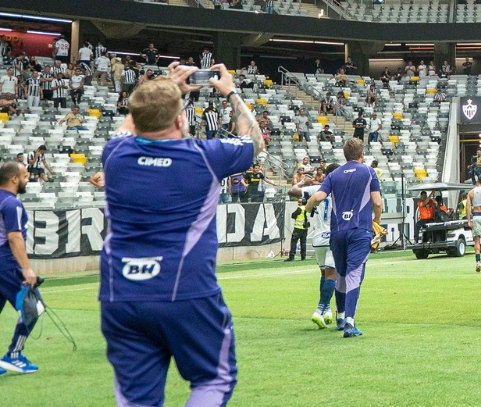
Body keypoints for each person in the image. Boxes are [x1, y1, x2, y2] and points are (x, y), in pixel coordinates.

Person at [93, 63, 261, 404]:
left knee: (136, 398)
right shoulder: (207, 156)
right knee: (213, 379)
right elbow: (255, 140)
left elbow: (133, 121)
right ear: (180, 120)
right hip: (185, 289)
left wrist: (167, 88)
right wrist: (230, 90)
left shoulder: (115, 153)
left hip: (120, 293)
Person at [304, 139, 384, 338]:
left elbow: (317, 197)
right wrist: (376, 220)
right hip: (359, 230)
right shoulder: (368, 172)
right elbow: (377, 202)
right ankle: (349, 322)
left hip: (337, 232)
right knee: (354, 274)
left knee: (340, 275)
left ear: (345, 155)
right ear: (362, 155)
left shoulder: (334, 174)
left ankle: (340, 318)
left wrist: (307, 209)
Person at [0, 160, 39, 375]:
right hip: (7, 263)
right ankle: (13, 355)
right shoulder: (11, 203)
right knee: (33, 307)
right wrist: (26, 269)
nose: (28, 179)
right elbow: (14, 237)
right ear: (14, 179)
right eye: (25, 176)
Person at [288, 164, 338, 330]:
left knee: (324, 275)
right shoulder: (341, 190)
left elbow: (292, 191)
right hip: (333, 237)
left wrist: (302, 182)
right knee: (332, 276)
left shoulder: (318, 189)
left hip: (318, 238)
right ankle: (319, 309)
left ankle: (327, 310)